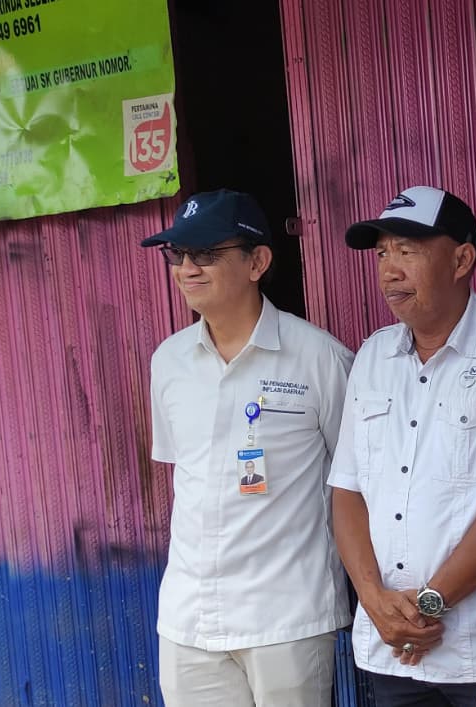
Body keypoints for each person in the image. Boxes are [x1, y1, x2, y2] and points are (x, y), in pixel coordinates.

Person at [328, 186, 476, 706]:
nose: (389, 270)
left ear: (462, 260)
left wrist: (430, 603)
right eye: (382, 253)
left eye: (407, 250)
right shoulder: (373, 356)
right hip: (389, 646)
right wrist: (373, 600)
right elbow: (348, 490)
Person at [144, 189, 354, 706]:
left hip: (285, 618)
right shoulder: (169, 362)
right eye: (178, 253)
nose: (187, 268)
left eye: (206, 253)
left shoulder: (320, 359)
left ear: (257, 261)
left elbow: (357, 481)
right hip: (189, 621)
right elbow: (187, 478)